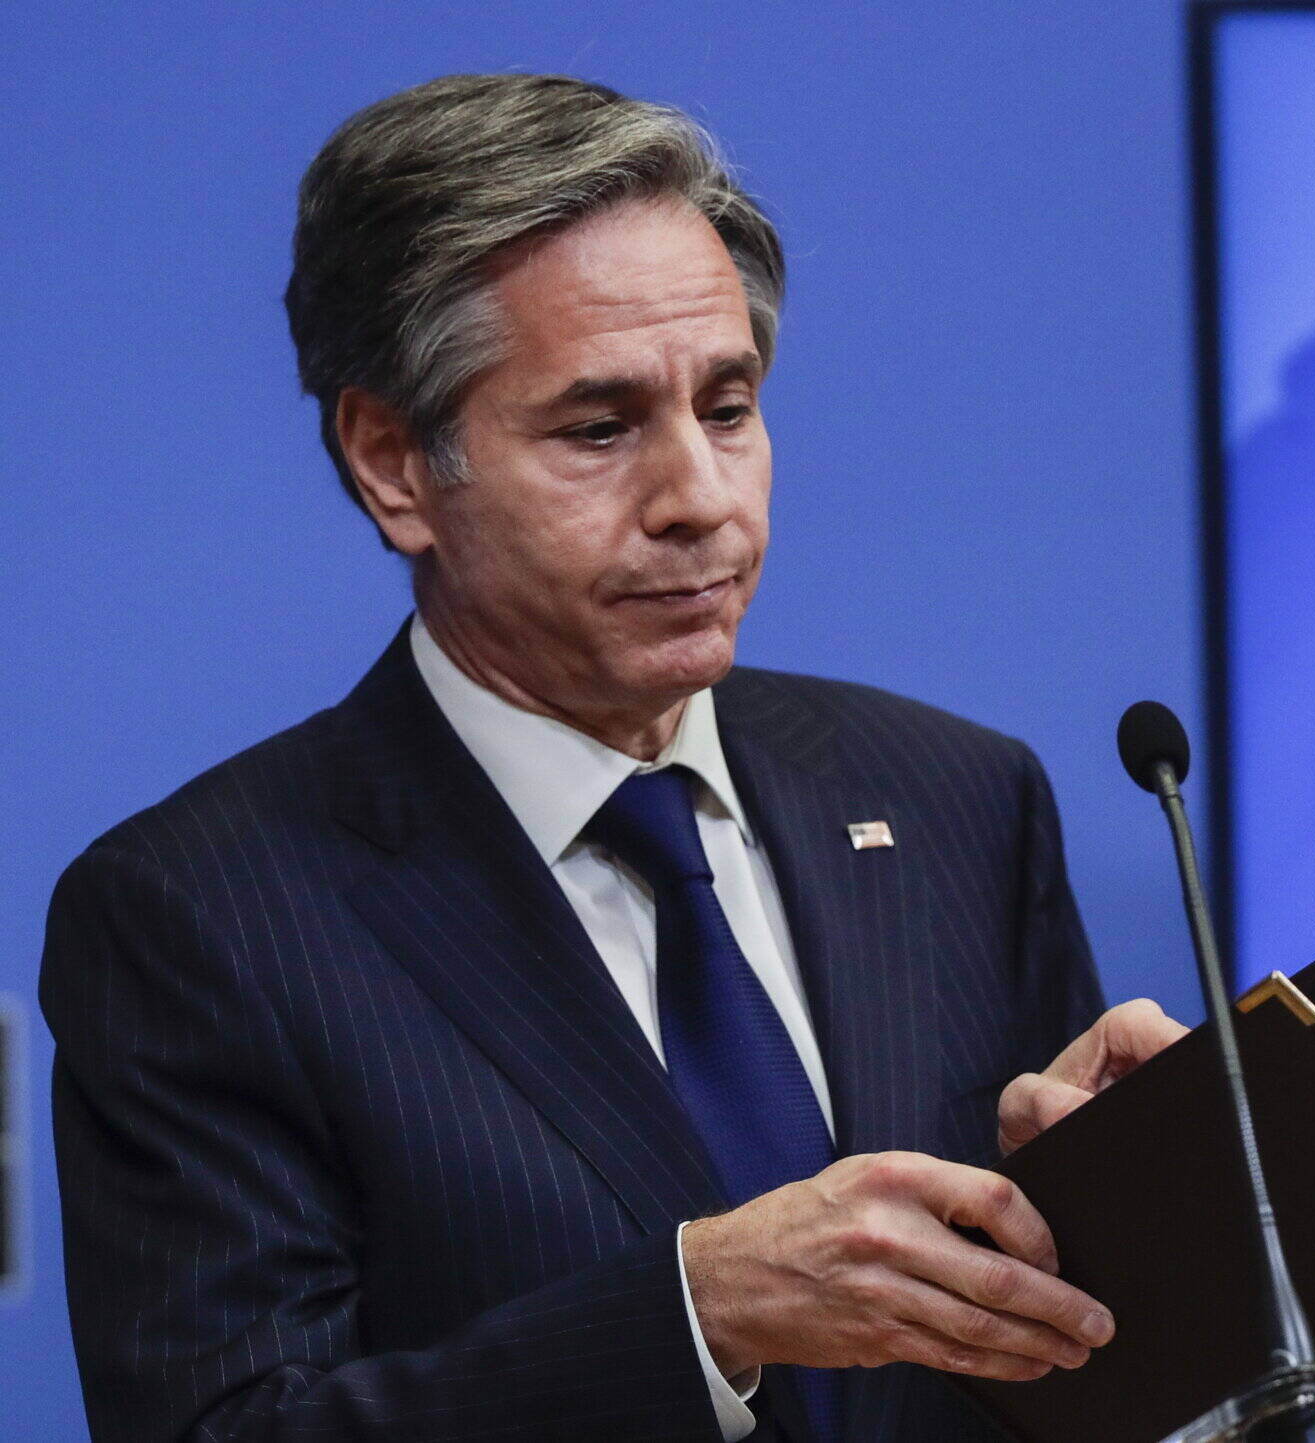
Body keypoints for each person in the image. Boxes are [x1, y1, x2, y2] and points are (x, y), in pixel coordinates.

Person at [41, 73, 1185, 1443]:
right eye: (599, 428)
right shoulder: (201, 917)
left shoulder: (954, 797)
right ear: (395, 462)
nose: (700, 498)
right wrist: (697, 1319)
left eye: (729, 407)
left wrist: (1136, 1200)